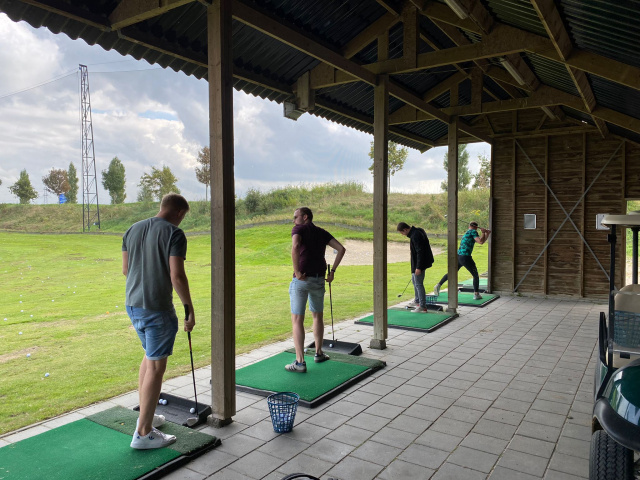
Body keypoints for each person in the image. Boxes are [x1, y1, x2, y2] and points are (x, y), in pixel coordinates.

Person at [122, 193, 195, 449]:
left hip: (133, 305)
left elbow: (126, 270)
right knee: (156, 367)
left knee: (149, 358)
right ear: (179, 213)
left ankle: (147, 416)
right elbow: (177, 276)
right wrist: (189, 309)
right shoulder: (175, 233)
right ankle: (143, 433)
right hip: (157, 309)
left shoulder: (132, 229)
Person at [287, 207, 346, 373]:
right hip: (319, 279)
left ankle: (300, 362)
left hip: (302, 279)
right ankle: (319, 353)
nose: (294, 220)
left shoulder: (298, 229)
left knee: (297, 319)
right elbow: (341, 249)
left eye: (296, 217)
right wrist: (332, 272)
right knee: (317, 316)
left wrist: (297, 271)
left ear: (305, 217)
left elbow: (295, 246)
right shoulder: (321, 232)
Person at [434, 221, 491, 300]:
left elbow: (482, 241)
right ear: (476, 227)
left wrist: (486, 234)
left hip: (458, 256)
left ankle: (438, 285)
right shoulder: (473, 232)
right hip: (465, 257)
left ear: (469, 226)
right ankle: (476, 294)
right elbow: (480, 241)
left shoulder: (467, 232)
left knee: (452, 273)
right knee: (475, 275)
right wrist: (483, 232)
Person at [397, 222, 435, 313]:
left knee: (418, 284)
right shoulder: (417, 231)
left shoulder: (415, 235)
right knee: (415, 281)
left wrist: (418, 267)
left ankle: (422, 306)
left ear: (405, 229)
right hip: (419, 262)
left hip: (420, 263)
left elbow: (420, 252)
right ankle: (417, 301)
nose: (402, 234)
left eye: (402, 232)